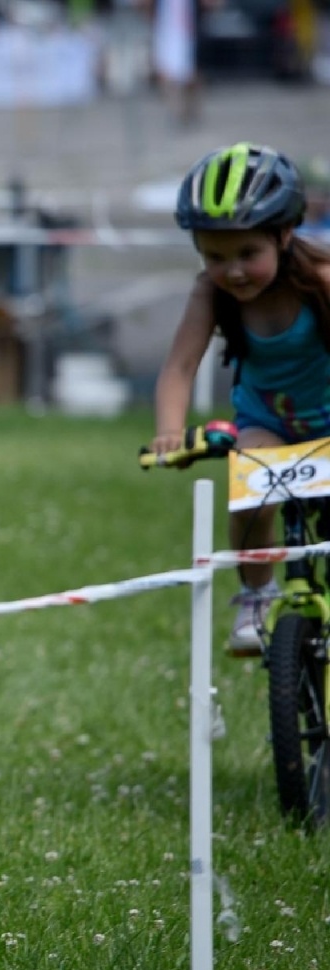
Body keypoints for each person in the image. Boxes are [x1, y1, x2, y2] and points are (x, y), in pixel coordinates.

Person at [149, 143, 330, 655]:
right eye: (215, 256)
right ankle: (256, 596)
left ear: (285, 235)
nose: (232, 271)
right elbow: (179, 367)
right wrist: (168, 431)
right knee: (249, 490)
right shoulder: (210, 292)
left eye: (248, 253)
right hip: (267, 422)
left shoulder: (320, 282)